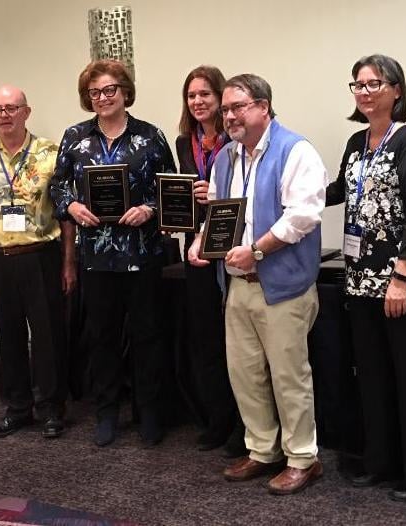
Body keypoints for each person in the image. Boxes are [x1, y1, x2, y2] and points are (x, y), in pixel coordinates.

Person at [188, 74, 327, 495]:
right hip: (237, 285)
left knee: (289, 377)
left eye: (238, 107)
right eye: (226, 108)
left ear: (264, 107)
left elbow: (302, 217)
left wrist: (258, 251)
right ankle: (262, 449)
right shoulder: (226, 157)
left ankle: (303, 458)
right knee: (245, 374)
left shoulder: (295, 150)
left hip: (283, 285)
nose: (229, 115)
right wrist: (201, 243)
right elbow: (220, 214)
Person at [325, 54, 406, 501]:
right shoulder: (357, 142)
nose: (365, 91)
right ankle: (381, 463)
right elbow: (340, 190)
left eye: (375, 83)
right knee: (372, 378)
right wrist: (296, 191)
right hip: (359, 281)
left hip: (403, 285)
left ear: (397, 90)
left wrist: (402, 277)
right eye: (358, 84)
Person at [50, 59, 176, 448]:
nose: (102, 98)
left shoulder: (150, 137)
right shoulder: (75, 138)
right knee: (101, 336)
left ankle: (149, 412)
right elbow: (57, 187)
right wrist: (71, 206)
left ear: (125, 92)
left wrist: (150, 209)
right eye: (94, 93)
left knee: (147, 335)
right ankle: (106, 412)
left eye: (109, 91)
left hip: (142, 253)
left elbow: (170, 188)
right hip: (96, 256)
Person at [0, 85, 75, 439]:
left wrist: (68, 263)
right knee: (7, 335)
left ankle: (52, 407)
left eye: (12, 108)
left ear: (27, 111)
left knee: (48, 335)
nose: (5, 115)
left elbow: (66, 213)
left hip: (41, 256)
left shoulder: (51, 153)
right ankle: (17, 408)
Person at [175, 65, 246, 457]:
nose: (198, 102)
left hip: (233, 248)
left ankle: (241, 425)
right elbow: (180, 196)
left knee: (237, 343)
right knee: (206, 340)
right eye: (191, 96)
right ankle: (217, 419)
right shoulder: (184, 143)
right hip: (196, 249)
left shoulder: (235, 141)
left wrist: (214, 193)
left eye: (205, 94)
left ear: (220, 99)